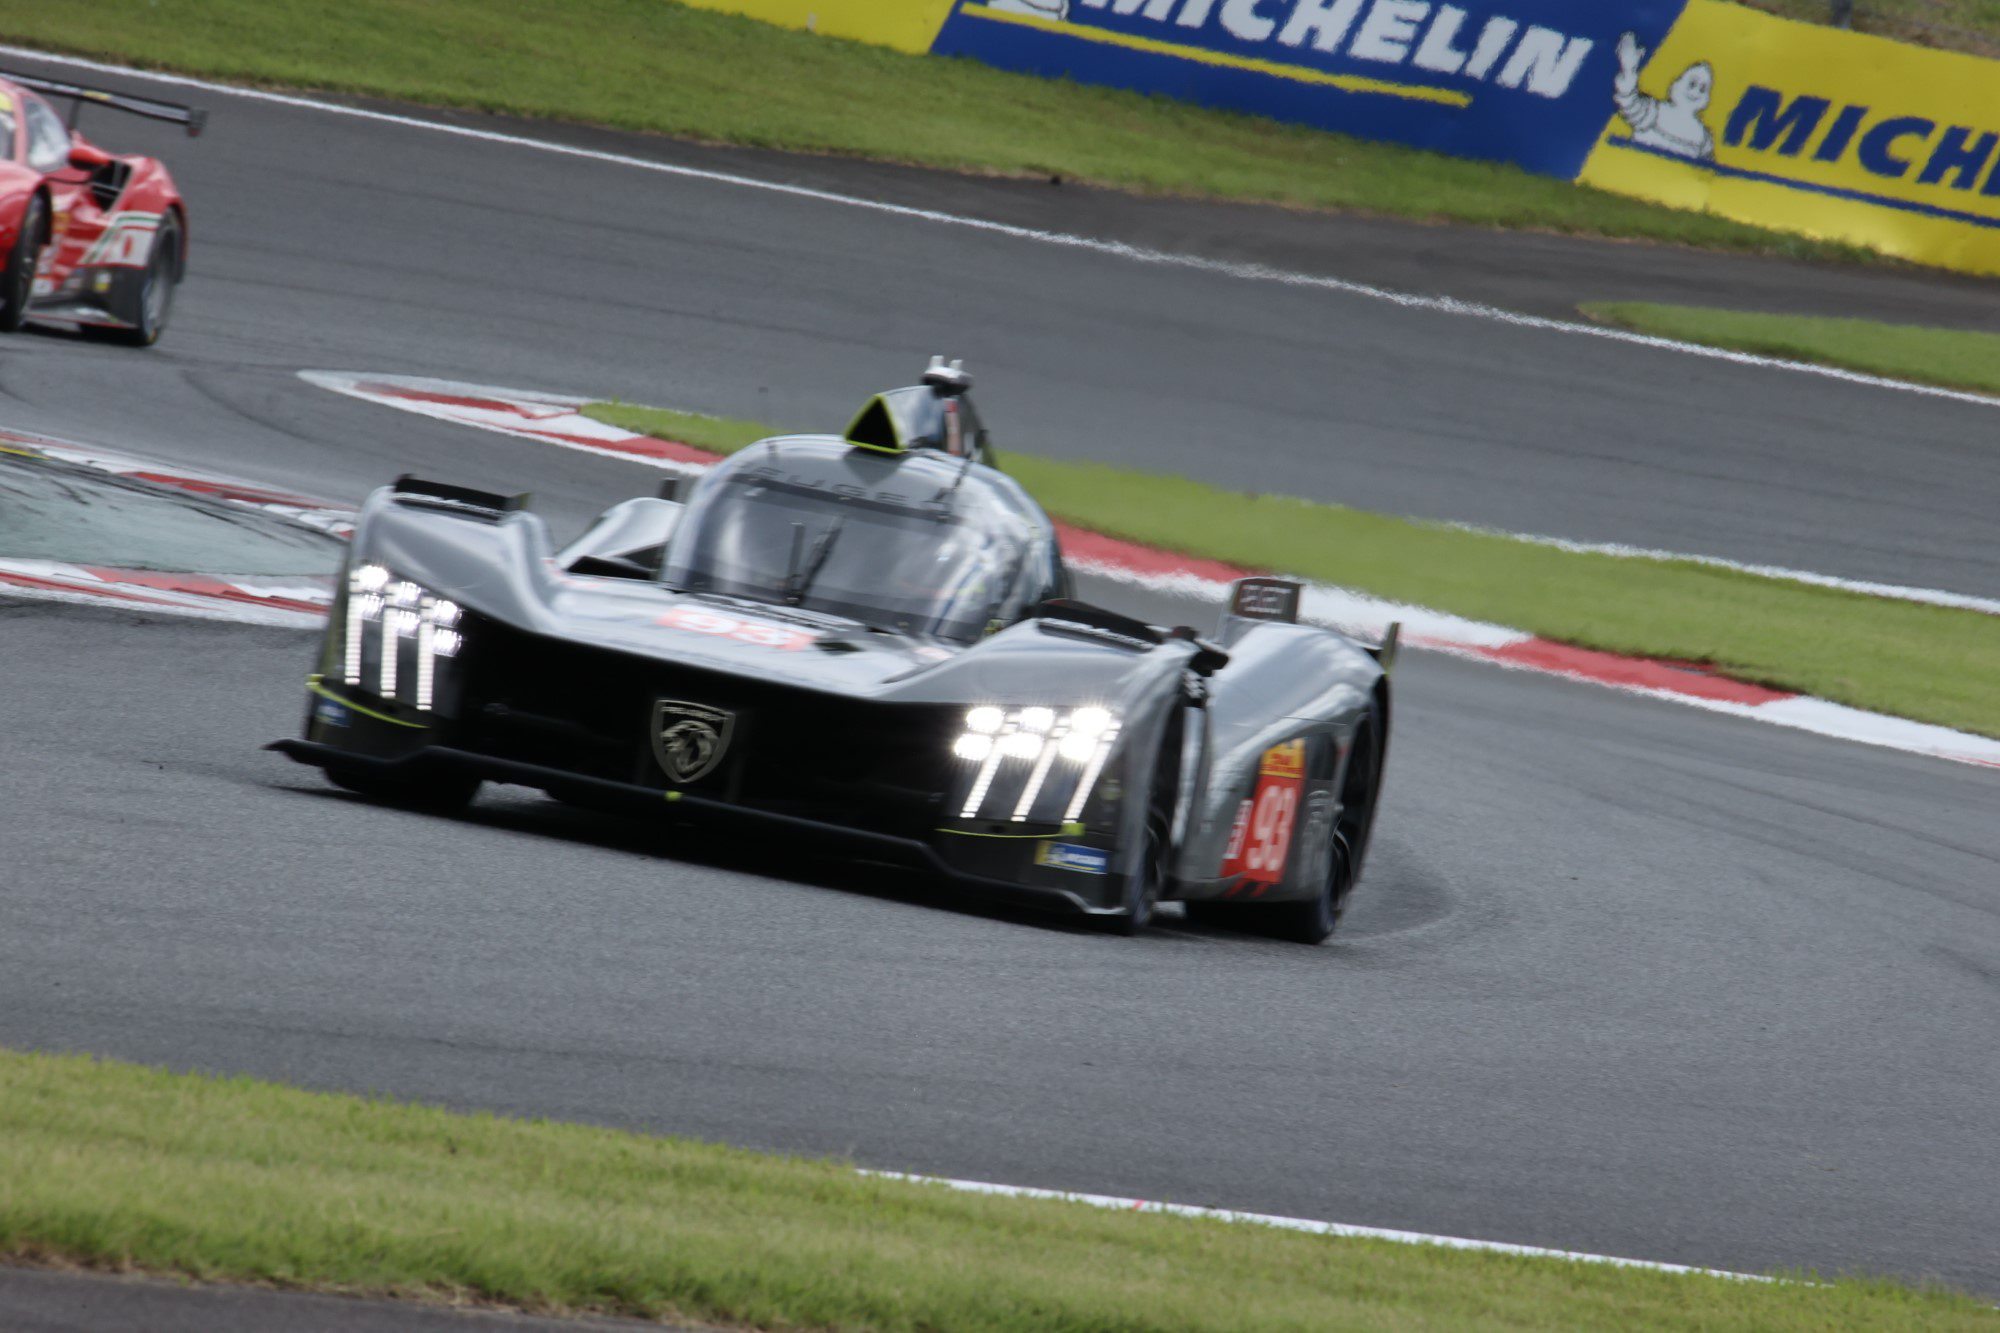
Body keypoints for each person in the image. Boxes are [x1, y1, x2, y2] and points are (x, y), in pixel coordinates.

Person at [1612, 31, 1715, 162]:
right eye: (1692, 83)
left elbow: (1708, 169)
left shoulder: (1703, 138)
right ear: (1677, 82)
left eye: (1702, 89)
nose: (1695, 92)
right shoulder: (1653, 111)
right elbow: (1627, 102)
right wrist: (1628, 71)